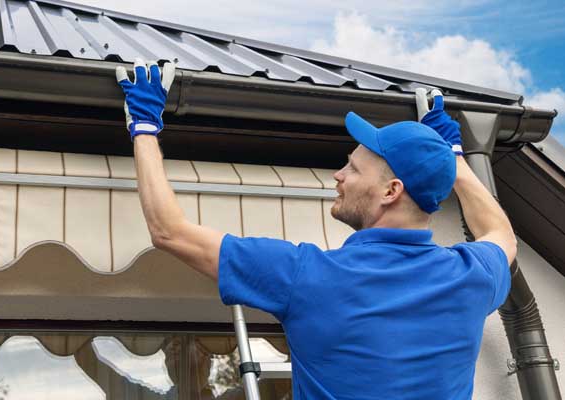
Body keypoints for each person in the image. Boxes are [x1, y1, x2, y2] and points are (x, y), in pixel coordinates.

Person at [115, 59, 514, 399]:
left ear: (392, 191)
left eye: (354, 169)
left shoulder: (307, 277)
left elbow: (169, 231)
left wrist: (145, 127)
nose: (339, 175)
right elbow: (501, 234)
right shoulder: (470, 277)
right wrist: (453, 160)